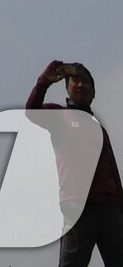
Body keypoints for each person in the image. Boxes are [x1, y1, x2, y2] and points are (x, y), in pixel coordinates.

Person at [28, 60, 123, 267]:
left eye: (86, 82)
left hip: (110, 209)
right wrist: (44, 81)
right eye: (75, 81)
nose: (81, 85)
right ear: (68, 88)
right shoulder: (59, 116)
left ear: (93, 92)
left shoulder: (99, 129)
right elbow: (31, 111)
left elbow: (113, 173)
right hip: (78, 207)